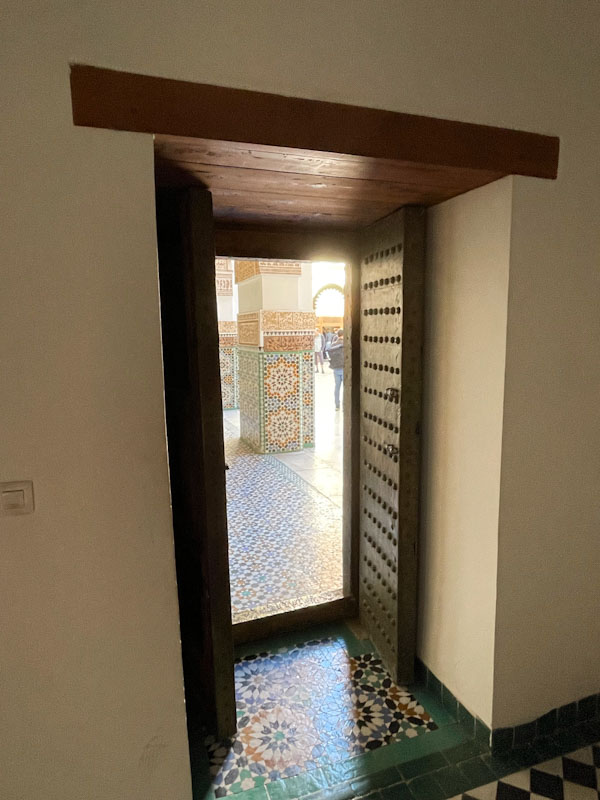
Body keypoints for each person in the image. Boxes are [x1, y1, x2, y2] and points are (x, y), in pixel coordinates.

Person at [328, 328, 344, 410]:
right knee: (346, 388)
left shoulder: (333, 344)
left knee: (337, 387)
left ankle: (337, 405)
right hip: (344, 369)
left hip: (336, 369)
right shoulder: (346, 344)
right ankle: (345, 405)